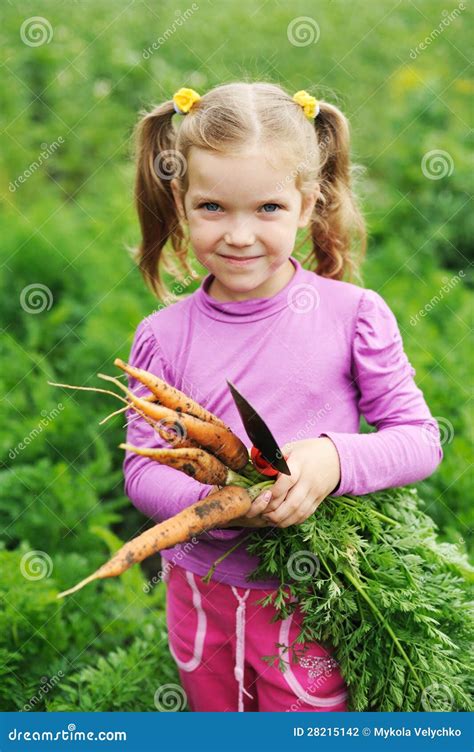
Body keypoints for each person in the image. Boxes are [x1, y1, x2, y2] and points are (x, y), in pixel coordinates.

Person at [122, 82, 443, 712]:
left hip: (313, 593)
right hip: (200, 591)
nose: (240, 235)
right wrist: (217, 504)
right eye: (213, 207)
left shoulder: (352, 314)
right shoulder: (163, 336)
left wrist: (333, 460)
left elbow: (419, 438)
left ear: (307, 204)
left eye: (267, 208)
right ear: (180, 204)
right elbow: (141, 468)